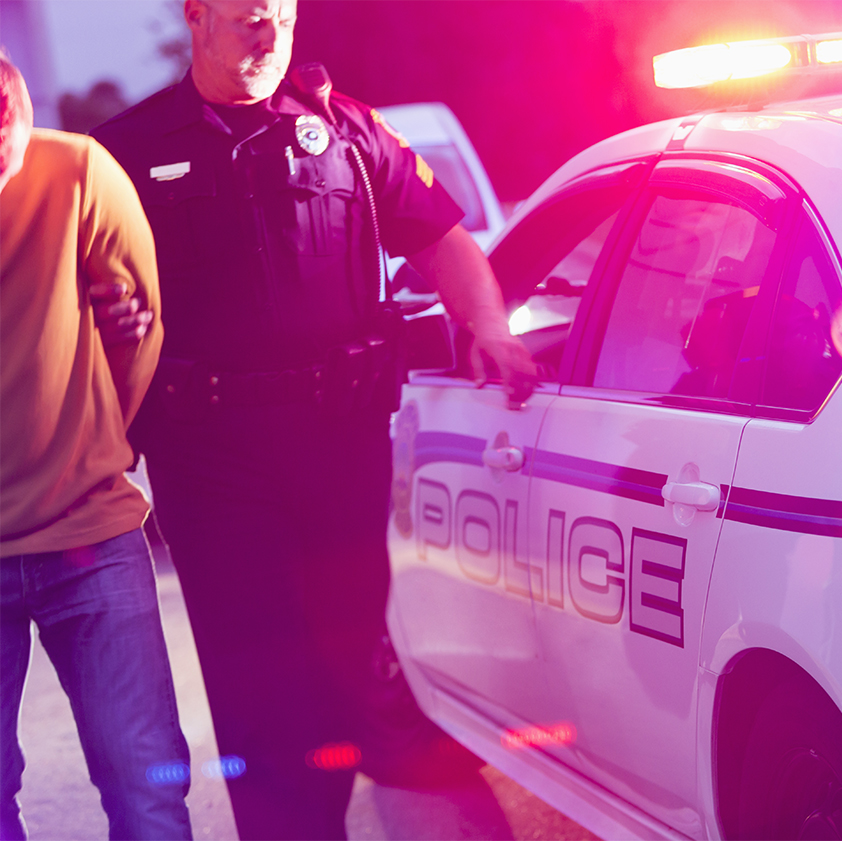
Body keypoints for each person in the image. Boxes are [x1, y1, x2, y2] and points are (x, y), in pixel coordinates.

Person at [90, 1, 537, 838]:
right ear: (197, 16)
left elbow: (442, 238)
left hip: (339, 444)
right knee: (256, 684)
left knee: (347, 665)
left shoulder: (346, 133)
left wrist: (487, 328)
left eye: (280, 20)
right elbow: (79, 282)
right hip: (209, 457)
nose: (266, 37)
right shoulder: (126, 151)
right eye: (247, 19)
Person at [0, 57, 191, 840]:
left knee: (145, 785)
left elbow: (137, 338)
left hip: (90, 533)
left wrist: (85, 444)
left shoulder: (79, 170)